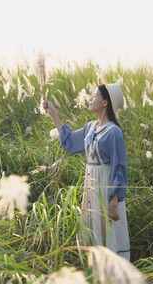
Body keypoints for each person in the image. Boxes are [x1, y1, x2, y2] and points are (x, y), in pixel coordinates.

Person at [42, 82, 131, 260]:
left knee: (108, 228)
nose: (91, 99)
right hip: (90, 184)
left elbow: (119, 166)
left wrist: (115, 199)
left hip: (105, 186)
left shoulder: (114, 132)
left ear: (105, 103)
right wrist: (55, 115)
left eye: (95, 96)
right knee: (93, 226)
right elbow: (70, 143)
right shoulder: (90, 127)